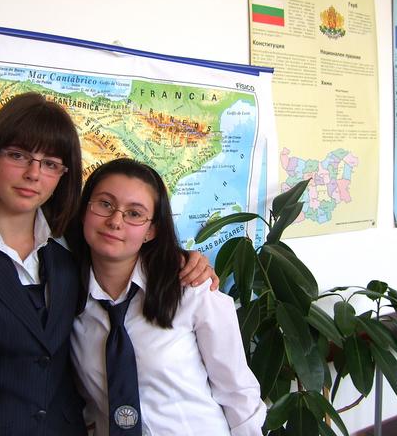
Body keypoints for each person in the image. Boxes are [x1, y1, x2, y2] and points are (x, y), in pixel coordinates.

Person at [0, 92, 216, 436]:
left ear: (63, 174)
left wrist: (185, 261)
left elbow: (128, 248)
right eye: (18, 155)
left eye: (50, 163)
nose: (33, 174)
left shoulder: (67, 256)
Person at [70, 158, 267, 436]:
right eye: (105, 204)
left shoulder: (191, 288)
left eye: (134, 213)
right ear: (84, 211)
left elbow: (237, 391)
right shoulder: (67, 300)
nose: (115, 221)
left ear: (151, 230)